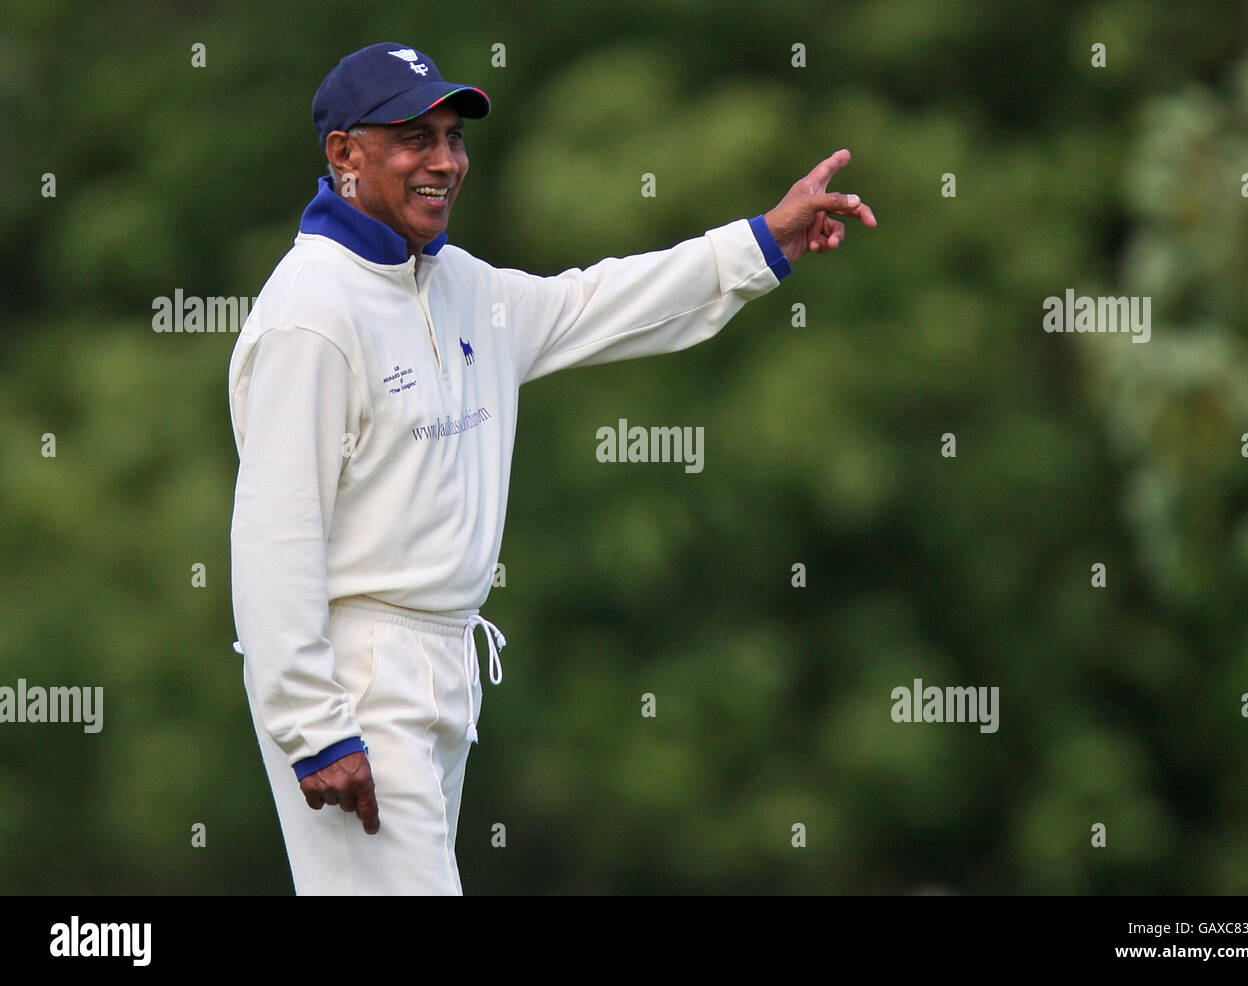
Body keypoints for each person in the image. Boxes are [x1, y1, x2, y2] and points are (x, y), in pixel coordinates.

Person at [228, 41, 876, 895]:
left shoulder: (454, 281)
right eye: (413, 138)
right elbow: (274, 541)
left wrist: (761, 245)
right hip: (355, 677)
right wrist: (314, 728)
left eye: (453, 137)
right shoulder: (310, 314)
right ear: (344, 153)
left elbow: (597, 303)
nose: (445, 161)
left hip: (445, 659)